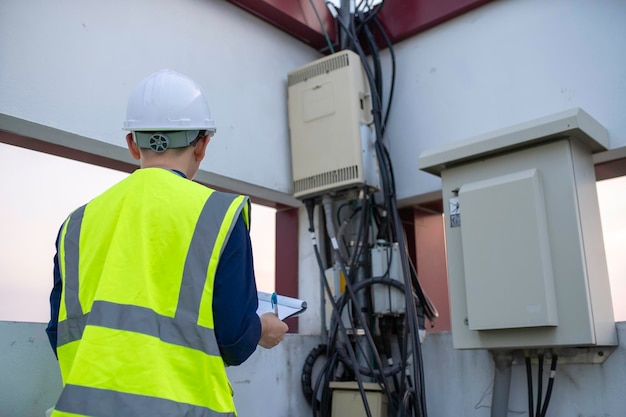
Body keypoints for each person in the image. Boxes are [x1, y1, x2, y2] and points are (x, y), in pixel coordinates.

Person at [45, 69, 289, 417]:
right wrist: (262, 328)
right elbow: (233, 341)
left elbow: (60, 334)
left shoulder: (76, 223)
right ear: (203, 145)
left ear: (132, 144)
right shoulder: (220, 214)